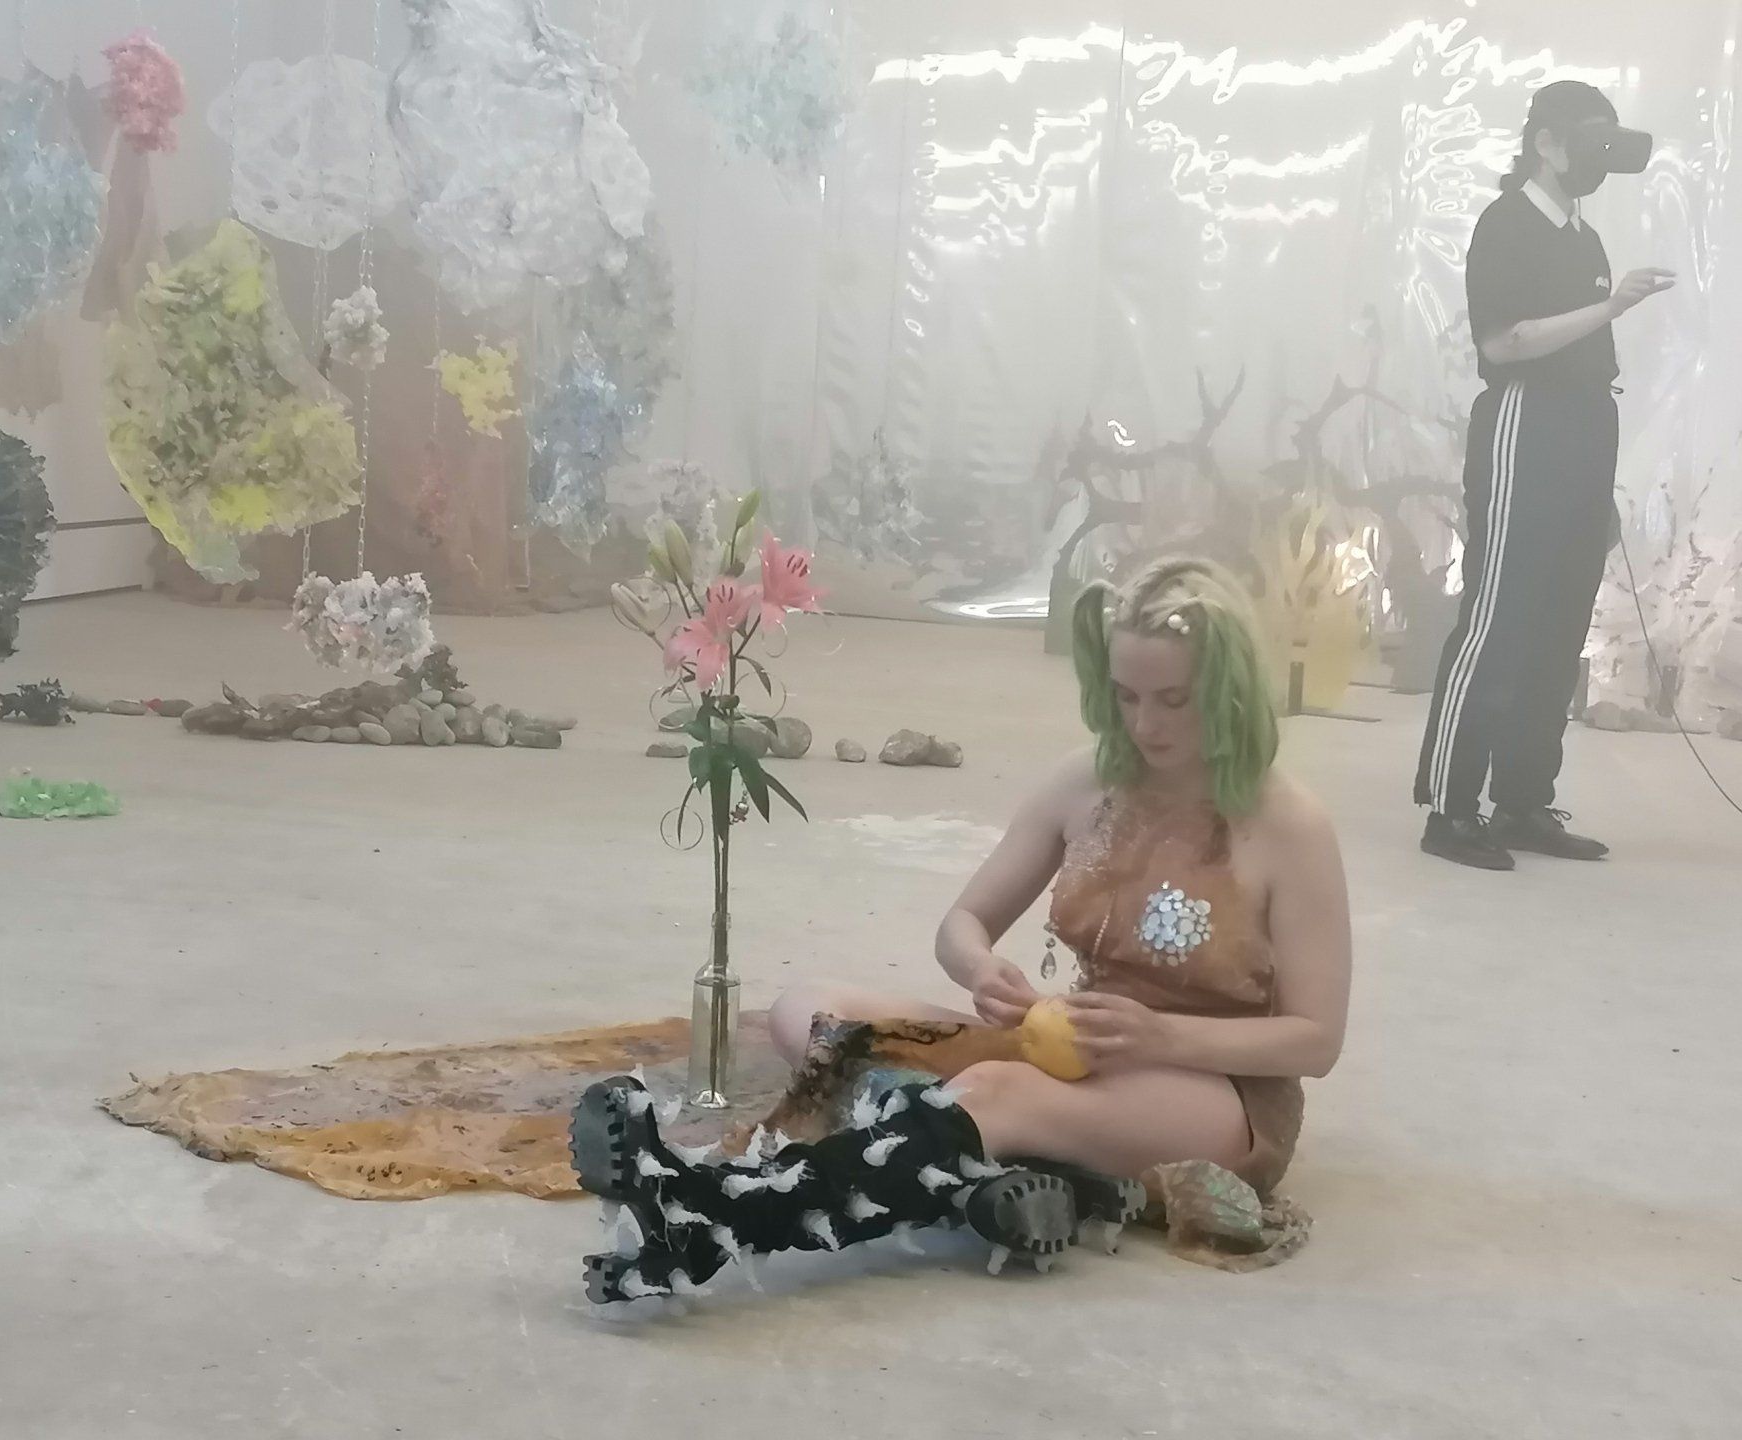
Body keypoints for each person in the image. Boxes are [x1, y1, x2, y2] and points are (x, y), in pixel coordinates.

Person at [571, 558, 1353, 1302]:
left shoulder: (1289, 825)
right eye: (1126, 695)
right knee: (812, 1012)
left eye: (1174, 699)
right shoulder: (1087, 782)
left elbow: (1315, 1041)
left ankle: (712, 1214)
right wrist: (982, 969)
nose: (1146, 723)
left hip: (1215, 1089)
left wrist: (1160, 1036)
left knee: (994, 1091)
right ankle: (1017, 1173)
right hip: (1077, 1047)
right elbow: (964, 923)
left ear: (1228, 687)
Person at [1414, 81, 1671, 870]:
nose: (1596, 158)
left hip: (1585, 427)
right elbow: (1505, 343)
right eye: (1585, 140)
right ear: (1545, 144)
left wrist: (1597, 485)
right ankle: (1451, 808)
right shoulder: (1507, 225)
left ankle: (1523, 801)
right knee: (1500, 616)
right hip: (1525, 422)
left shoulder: (1582, 237)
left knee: (1561, 623)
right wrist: (1611, 308)